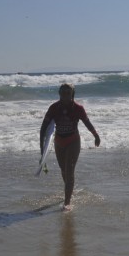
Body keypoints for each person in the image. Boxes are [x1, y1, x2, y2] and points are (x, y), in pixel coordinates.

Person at [40, 83, 100, 211]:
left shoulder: (78, 108)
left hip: (73, 141)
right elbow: (43, 128)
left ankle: (67, 202)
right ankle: (69, 189)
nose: (65, 95)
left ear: (72, 94)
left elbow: (87, 122)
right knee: (63, 169)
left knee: (70, 170)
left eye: (68, 93)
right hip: (59, 141)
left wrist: (96, 135)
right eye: (63, 93)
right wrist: (42, 150)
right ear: (59, 94)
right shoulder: (54, 108)